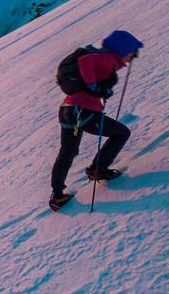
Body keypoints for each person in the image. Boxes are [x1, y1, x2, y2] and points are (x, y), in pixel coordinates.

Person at [49, 30, 143, 211]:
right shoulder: (107, 58)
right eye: (131, 53)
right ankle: (97, 170)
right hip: (83, 112)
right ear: (122, 49)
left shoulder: (106, 61)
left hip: (68, 110)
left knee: (67, 151)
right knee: (121, 133)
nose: (131, 58)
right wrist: (94, 86)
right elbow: (85, 62)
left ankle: (57, 196)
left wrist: (99, 89)